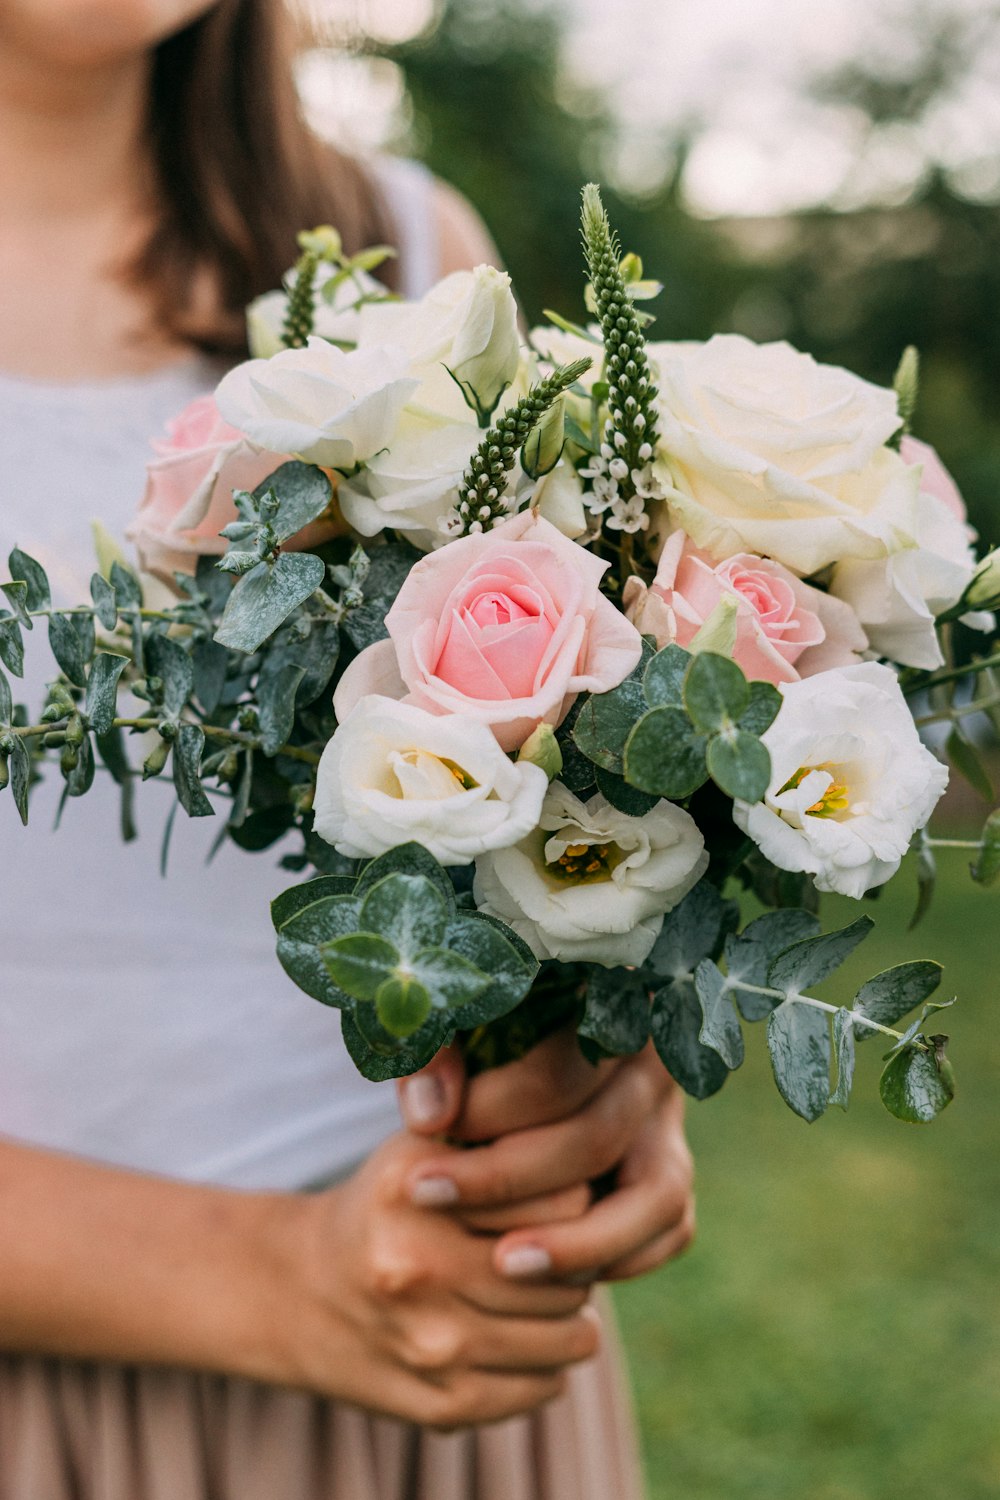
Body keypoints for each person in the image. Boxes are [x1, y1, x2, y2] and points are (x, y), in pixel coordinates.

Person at [0, 3, 695, 1496]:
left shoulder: (410, 252)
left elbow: (549, 767)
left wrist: (590, 1078)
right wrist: (278, 1280)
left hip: (431, 1386)